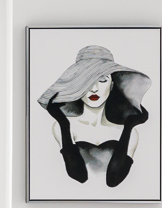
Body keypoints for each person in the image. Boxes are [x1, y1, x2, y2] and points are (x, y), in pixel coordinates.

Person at [36, 44, 150, 188]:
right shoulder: (61, 126)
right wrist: (63, 123)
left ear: (112, 84)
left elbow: (113, 181)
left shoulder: (131, 133)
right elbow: (78, 176)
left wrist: (128, 127)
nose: (94, 89)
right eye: (86, 81)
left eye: (102, 80)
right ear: (76, 85)